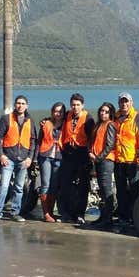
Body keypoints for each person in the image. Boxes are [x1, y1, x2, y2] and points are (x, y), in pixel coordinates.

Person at [0, 95, 37, 224]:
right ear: (15, 105)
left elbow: (33, 140)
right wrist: (1, 155)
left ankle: (15, 212)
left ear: (27, 105)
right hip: (8, 158)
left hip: (23, 160)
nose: (20, 105)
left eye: (23, 103)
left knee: (19, 188)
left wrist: (30, 158)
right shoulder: (6, 119)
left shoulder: (30, 121)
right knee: (3, 187)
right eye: (18, 103)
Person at [57, 93, 95, 224]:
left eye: (78, 105)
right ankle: (66, 213)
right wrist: (44, 120)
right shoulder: (67, 115)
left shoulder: (88, 118)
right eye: (73, 104)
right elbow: (55, 119)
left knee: (83, 187)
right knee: (66, 185)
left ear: (82, 105)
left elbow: (93, 138)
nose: (75, 107)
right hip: (68, 154)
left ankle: (80, 214)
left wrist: (91, 155)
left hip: (82, 155)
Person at [113, 92, 139, 227]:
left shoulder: (138, 118)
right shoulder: (115, 118)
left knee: (135, 189)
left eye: (126, 101)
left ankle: (136, 217)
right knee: (121, 190)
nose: (124, 104)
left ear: (131, 103)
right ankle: (123, 216)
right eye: (122, 102)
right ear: (119, 104)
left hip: (132, 161)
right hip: (118, 160)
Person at [89, 102, 117, 229]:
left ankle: (108, 219)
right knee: (101, 190)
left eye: (106, 111)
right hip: (97, 161)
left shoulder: (110, 125)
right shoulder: (98, 125)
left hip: (106, 161)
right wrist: (90, 152)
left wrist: (98, 157)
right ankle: (103, 216)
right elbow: (93, 141)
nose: (103, 113)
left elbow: (110, 145)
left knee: (107, 190)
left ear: (110, 113)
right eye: (101, 111)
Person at [37, 102, 66, 223]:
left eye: (60, 111)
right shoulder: (46, 123)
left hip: (59, 157)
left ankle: (51, 211)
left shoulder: (66, 124)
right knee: (45, 184)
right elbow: (39, 141)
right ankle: (46, 213)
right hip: (45, 156)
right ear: (52, 111)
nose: (58, 113)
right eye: (56, 111)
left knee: (54, 186)